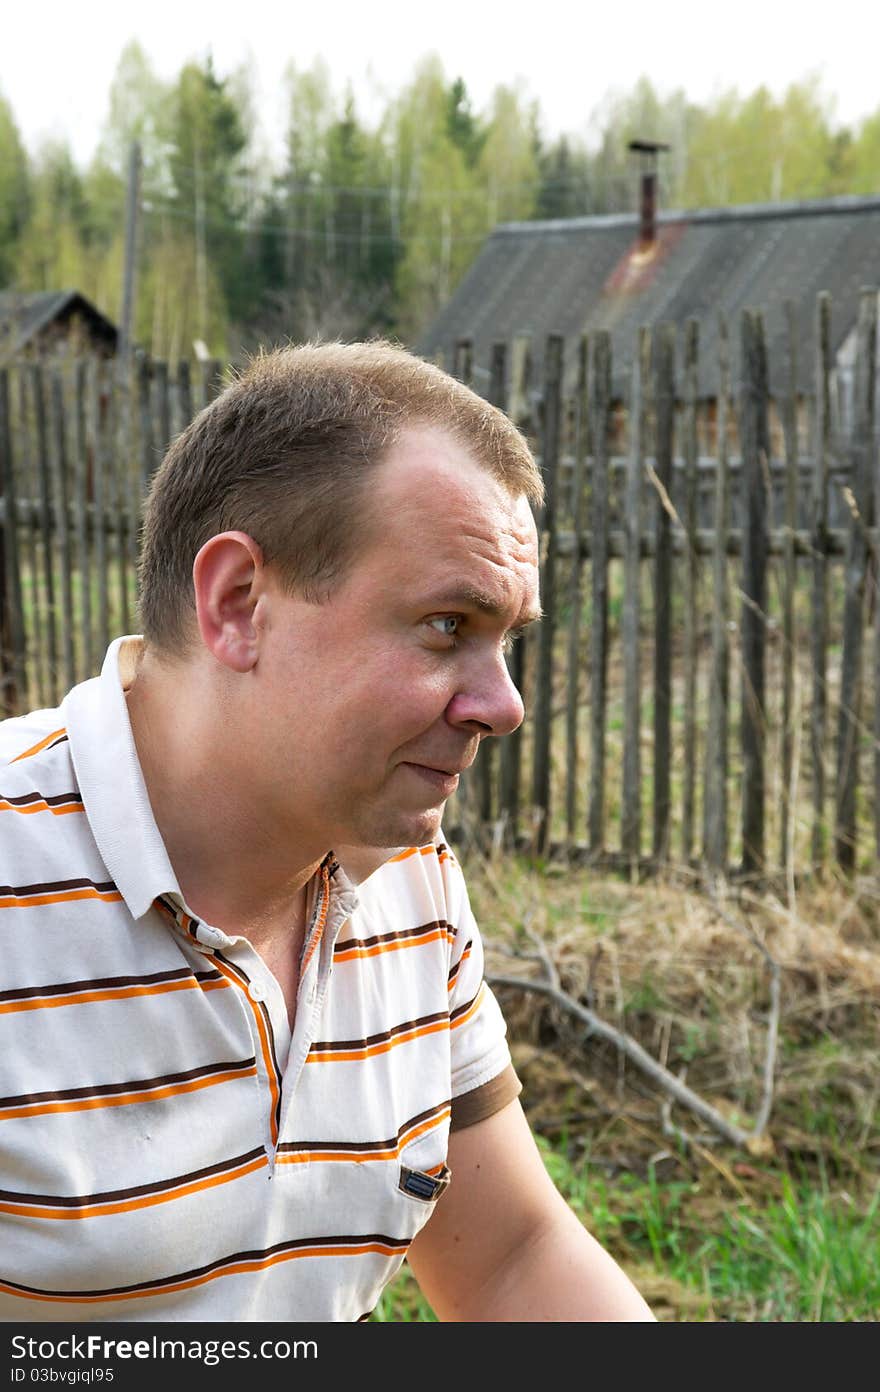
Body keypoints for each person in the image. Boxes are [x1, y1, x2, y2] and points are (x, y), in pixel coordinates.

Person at [0, 341, 653, 1323]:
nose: (504, 704)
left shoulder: (409, 881)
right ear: (238, 604)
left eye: (507, 639)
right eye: (446, 625)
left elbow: (514, 1256)